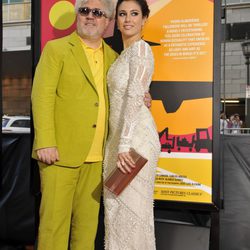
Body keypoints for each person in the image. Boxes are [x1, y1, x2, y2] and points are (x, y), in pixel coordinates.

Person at [31, 0, 151, 249]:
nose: (90, 16)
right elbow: (41, 97)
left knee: (86, 231)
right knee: (53, 227)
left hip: (98, 159)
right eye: (84, 10)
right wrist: (45, 142)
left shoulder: (114, 58)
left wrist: (142, 96)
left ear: (108, 22)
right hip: (59, 154)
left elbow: (126, 90)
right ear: (77, 15)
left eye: (98, 13)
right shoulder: (56, 49)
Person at [103, 0, 161, 249]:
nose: (128, 19)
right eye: (123, 14)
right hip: (119, 142)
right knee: (116, 214)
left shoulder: (140, 50)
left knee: (133, 214)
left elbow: (134, 97)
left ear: (145, 18)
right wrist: (118, 144)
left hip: (134, 144)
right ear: (116, 20)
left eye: (134, 14)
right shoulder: (121, 56)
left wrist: (124, 145)